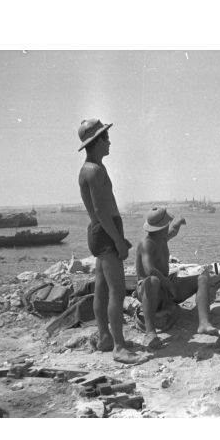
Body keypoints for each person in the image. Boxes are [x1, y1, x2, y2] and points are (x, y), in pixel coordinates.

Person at [77, 118, 143, 364]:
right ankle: (119, 346)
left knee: (102, 288)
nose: (109, 141)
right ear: (96, 142)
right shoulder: (94, 170)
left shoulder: (92, 168)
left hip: (101, 232)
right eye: (105, 137)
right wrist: (118, 240)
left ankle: (105, 337)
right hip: (105, 233)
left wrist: (116, 236)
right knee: (117, 290)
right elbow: (101, 211)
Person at [135, 206, 220, 349]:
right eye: (166, 224)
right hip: (149, 289)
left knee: (203, 276)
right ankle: (150, 333)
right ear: (161, 227)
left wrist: (179, 221)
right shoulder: (147, 243)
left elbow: (173, 230)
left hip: (165, 286)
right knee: (153, 280)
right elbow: (150, 270)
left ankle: (204, 323)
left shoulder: (161, 237)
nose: (168, 226)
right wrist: (167, 284)